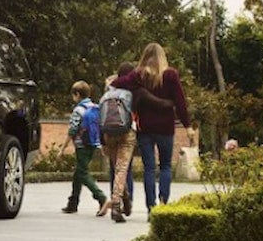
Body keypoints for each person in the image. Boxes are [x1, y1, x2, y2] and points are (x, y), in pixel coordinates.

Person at [110, 43, 194, 215]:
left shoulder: (138, 75)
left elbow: (118, 82)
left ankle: (151, 207)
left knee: (149, 168)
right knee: (165, 167)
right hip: (165, 128)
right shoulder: (170, 75)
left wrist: (113, 81)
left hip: (145, 128)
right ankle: (163, 203)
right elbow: (180, 102)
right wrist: (188, 126)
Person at [101, 62, 175, 223]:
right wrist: (170, 103)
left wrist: (102, 140)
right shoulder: (135, 91)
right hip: (126, 133)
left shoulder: (109, 91)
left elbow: (102, 113)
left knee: (117, 169)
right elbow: (157, 102)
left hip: (108, 133)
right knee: (122, 169)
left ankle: (124, 201)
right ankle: (117, 204)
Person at [58, 80, 108, 215]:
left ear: (77, 94)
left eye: (73, 95)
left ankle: (101, 197)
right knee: (78, 172)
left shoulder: (78, 110)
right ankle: (73, 203)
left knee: (83, 173)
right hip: (92, 143)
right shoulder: (95, 107)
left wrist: (63, 148)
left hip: (81, 145)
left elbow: (72, 130)